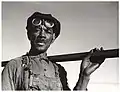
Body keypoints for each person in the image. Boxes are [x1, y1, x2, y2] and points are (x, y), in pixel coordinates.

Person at [2, 12, 105, 91]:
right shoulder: (14, 66)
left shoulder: (59, 71)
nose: (42, 35)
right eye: (37, 30)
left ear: (53, 38)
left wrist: (84, 75)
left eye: (47, 31)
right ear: (29, 34)